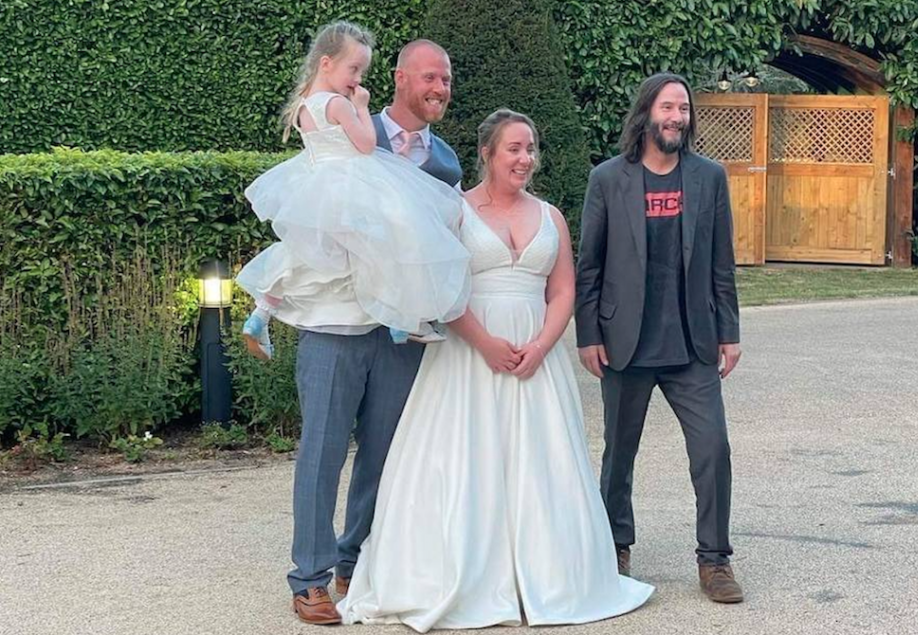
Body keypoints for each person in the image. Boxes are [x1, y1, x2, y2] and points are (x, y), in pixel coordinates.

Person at [339, 110, 654, 632]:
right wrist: (483, 342)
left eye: (530, 149)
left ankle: (546, 575)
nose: (525, 159)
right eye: (514, 149)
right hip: (468, 357)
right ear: (486, 153)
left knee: (541, 462)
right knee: (468, 458)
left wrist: (543, 344)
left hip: (536, 359)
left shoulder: (550, 217)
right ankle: (467, 574)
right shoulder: (454, 212)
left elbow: (563, 289)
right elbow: (442, 288)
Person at [236, 24, 468, 625]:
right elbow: (309, 221)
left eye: (446, 79)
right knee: (322, 451)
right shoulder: (345, 131)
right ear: (399, 78)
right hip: (334, 326)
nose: (440, 87)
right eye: (430, 76)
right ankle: (310, 579)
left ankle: (355, 562)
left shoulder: (445, 161)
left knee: (385, 454)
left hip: (399, 332)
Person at [575, 73, 745, 603]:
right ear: (647, 113)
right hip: (624, 343)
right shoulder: (609, 179)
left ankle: (714, 560)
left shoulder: (708, 177)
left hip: (692, 344)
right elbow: (589, 265)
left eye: (684, 109)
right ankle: (614, 548)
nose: (677, 117)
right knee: (618, 455)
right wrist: (587, 334)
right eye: (668, 107)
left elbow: (721, 262)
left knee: (713, 448)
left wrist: (730, 332)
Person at [236, 25, 469, 360]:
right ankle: (403, 318)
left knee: (300, 252)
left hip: (316, 185)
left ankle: (262, 312)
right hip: (351, 182)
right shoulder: (339, 105)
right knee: (395, 233)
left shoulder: (304, 106)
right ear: (327, 63)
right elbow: (366, 143)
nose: (358, 79)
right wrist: (360, 107)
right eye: (354, 69)